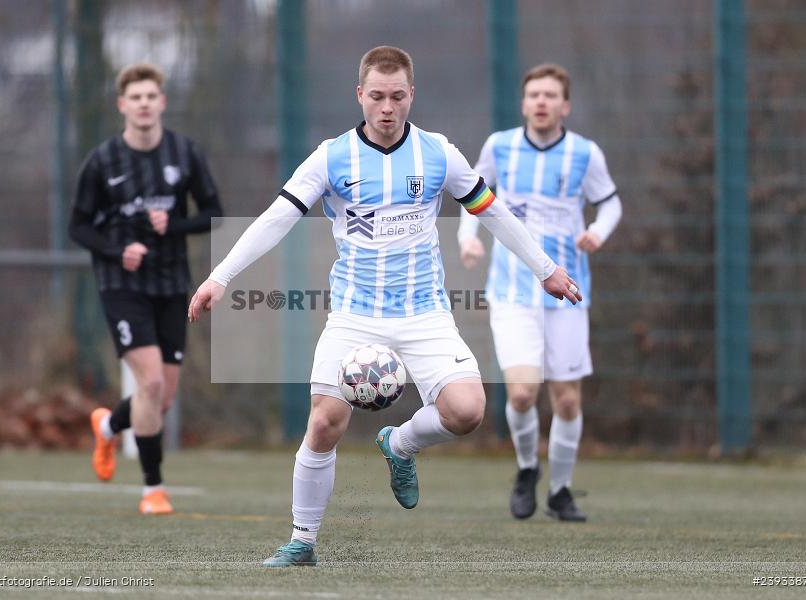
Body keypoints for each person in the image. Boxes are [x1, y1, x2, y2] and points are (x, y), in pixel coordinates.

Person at [188, 46, 580, 567]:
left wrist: (546, 268)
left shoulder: (439, 153)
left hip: (425, 313)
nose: (387, 107)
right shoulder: (332, 156)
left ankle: (399, 445)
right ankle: (302, 540)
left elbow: (495, 213)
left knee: (467, 412)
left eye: (397, 96)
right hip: (353, 314)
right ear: (360, 95)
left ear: (411, 95)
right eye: (377, 96)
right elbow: (275, 219)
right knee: (325, 420)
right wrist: (221, 276)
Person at [458, 63, 622, 522]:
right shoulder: (500, 147)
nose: (541, 102)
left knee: (567, 399)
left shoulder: (585, 154)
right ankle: (528, 470)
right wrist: (467, 238)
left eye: (550, 95)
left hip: (568, 291)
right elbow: (471, 194)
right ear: (524, 102)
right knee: (524, 394)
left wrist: (598, 232)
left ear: (565, 105)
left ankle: (561, 490)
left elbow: (610, 202)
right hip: (512, 290)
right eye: (534, 95)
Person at [69, 63, 223, 515]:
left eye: (150, 96)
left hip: (172, 282)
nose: (143, 104)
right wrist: (118, 252)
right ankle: (152, 489)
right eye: (134, 97)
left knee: (162, 396)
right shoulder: (102, 162)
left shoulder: (184, 153)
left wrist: (174, 224)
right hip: (122, 284)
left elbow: (213, 210)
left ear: (162, 102)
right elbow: (78, 227)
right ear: (122, 105)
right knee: (151, 382)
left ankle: (107, 426)